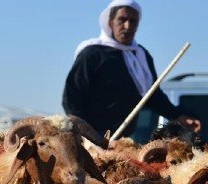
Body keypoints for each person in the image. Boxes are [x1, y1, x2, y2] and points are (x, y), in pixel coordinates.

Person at [62, 0, 200, 137]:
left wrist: (177, 116)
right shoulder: (91, 54)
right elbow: (72, 97)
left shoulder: (141, 56)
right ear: (110, 22)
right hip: (92, 140)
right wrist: (86, 134)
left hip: (124, 141)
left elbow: (152, 96)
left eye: (133, 21)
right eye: (122, 19)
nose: (127, 26)